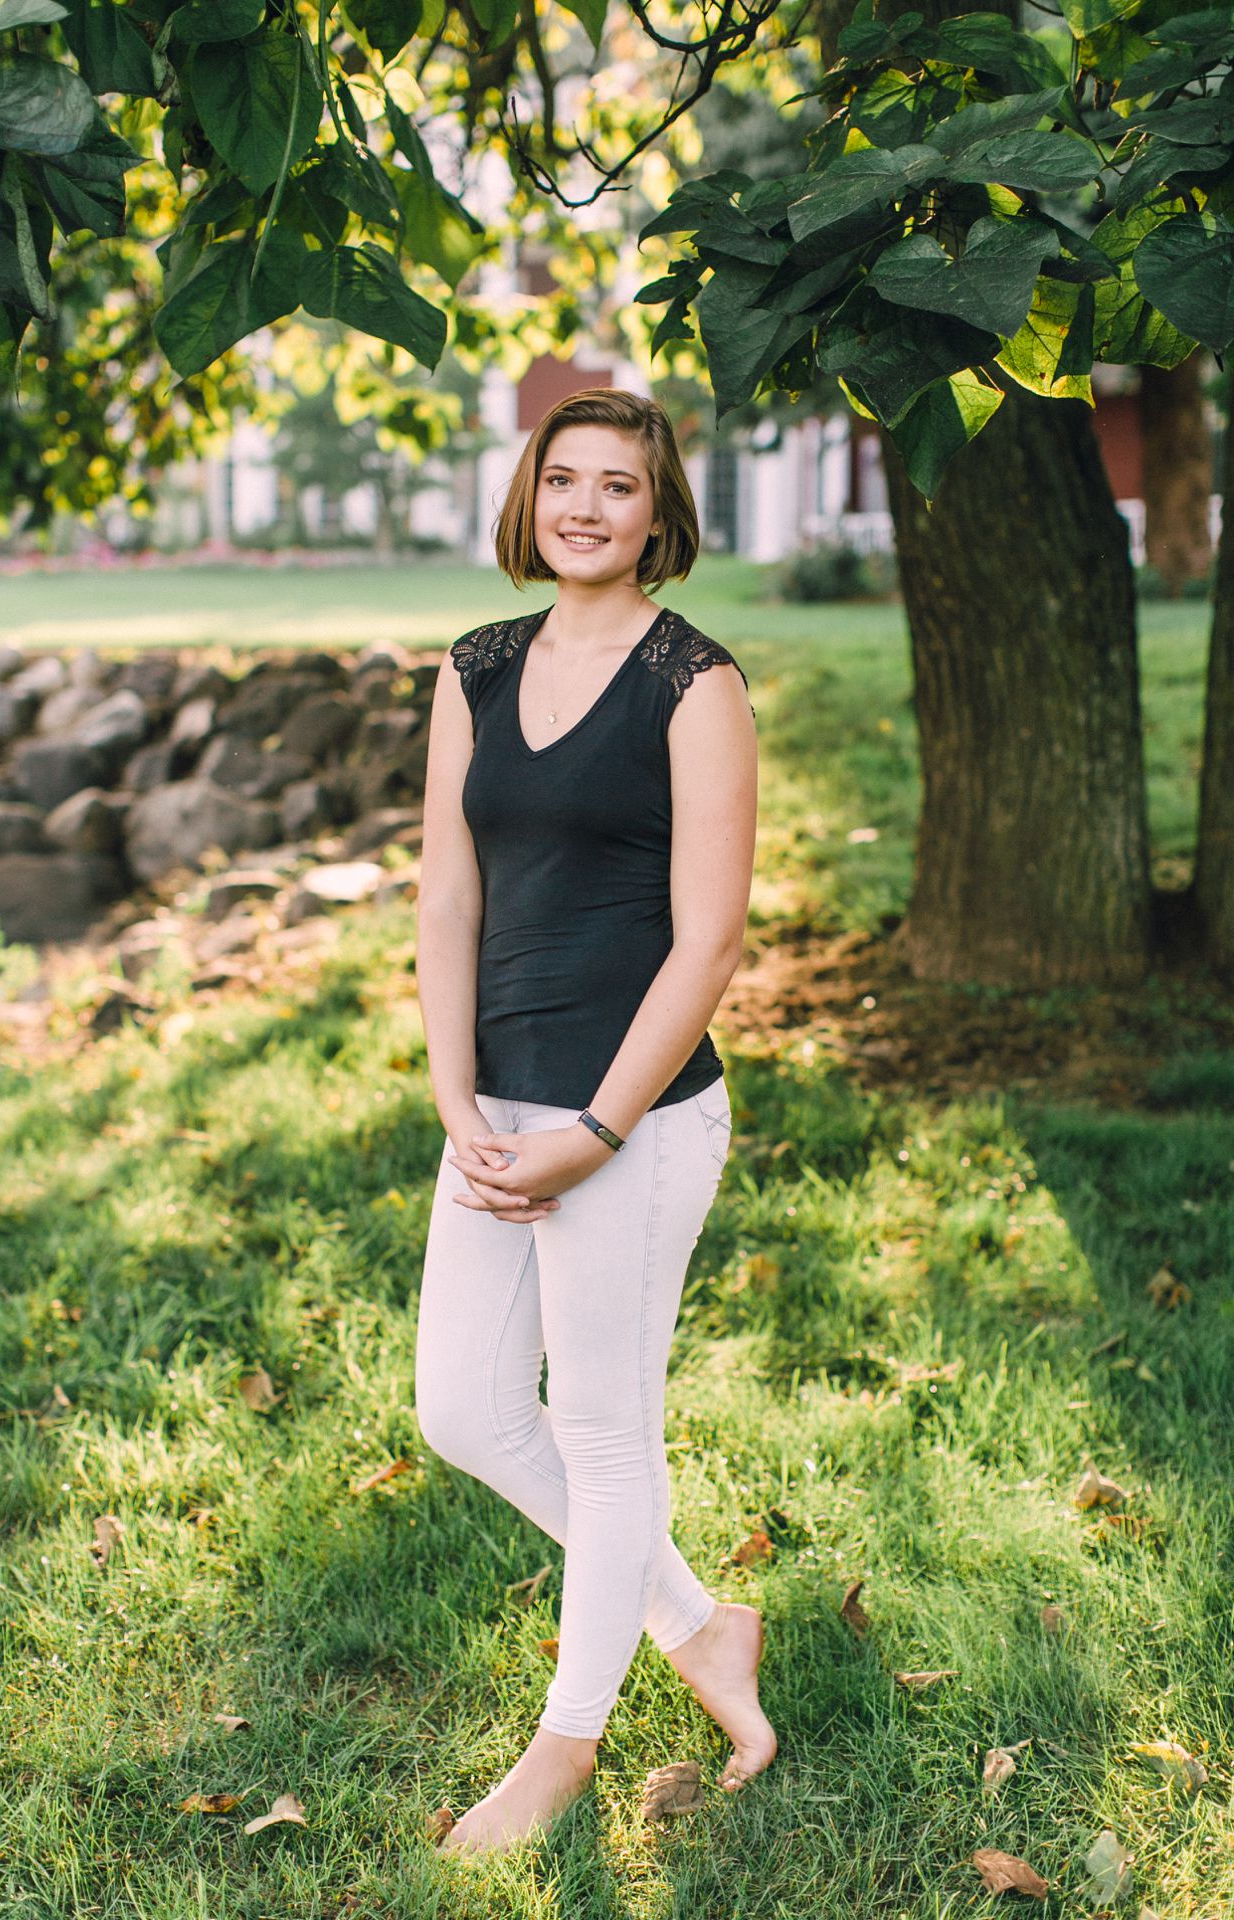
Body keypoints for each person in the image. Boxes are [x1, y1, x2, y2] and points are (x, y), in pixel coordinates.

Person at [413, 386, 773, 1856]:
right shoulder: (476, 668)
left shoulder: (697, 685)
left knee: (608, 1432)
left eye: (618, 486)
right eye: (564, 479)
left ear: (658, 511)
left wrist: (602, 1130)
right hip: (496, 1106)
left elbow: (710, 941)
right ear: (530, 496)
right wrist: (455, 1097)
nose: (585, 507)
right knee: (465, 1411)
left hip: (637, 1116)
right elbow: (448, 895)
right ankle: (701, 1623)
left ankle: (567, 1747)